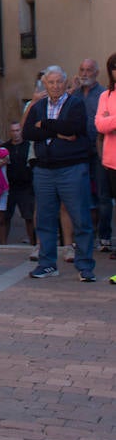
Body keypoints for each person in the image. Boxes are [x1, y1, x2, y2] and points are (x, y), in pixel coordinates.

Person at [24, 66, 95, 282]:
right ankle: (47, 264)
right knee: (45, 220)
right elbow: (28, 132)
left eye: (59, 82)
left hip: (71, 168)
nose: (55, 86)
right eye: (51, 82)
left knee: (80, 218)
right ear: (44, 85)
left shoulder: (75, 104)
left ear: (66, 84)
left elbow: (74, 127)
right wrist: (60, 131)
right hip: (44, 170)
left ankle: (85, 267)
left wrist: (45, 124)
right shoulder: (38, 106)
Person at [73, 59, 107, 248]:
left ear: (97, 72)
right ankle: (84, 237)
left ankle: (103, 235)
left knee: (102, 195)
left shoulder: (103, 94)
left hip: (99, 151)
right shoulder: (75, 94)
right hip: (78, 151)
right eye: (82, 69)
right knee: (80, 195)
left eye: (89, 70)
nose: (84, 74)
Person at [94, 54, 116, 279]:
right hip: (112, 160)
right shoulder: (106, 95)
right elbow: (100, 124)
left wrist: (112, 119)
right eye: (114, 68)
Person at [3, 121, 36, 246]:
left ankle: (33, 243)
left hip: (26, 187)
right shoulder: (5, 147)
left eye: (17, 130)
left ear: (21, 131)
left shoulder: (28, 146)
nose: (15, 133)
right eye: (13, 131)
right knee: (5, 217)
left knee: (29, 217)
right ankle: (3, 245)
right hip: (9, 187)